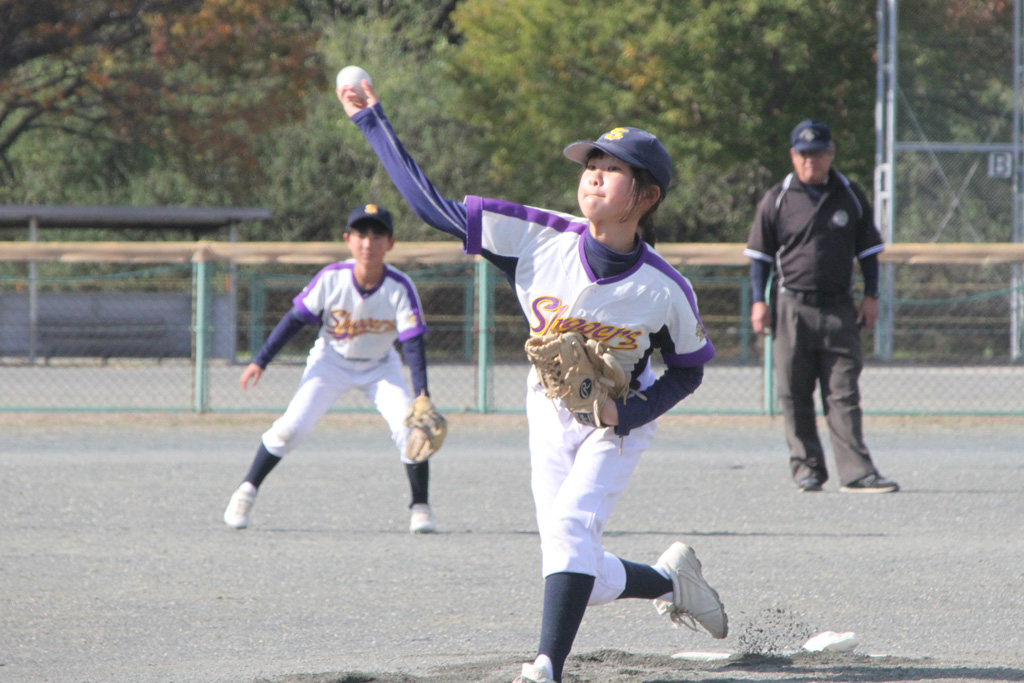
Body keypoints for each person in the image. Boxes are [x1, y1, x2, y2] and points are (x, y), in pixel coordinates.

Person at [338, 81, 727, 683]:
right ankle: (673, 582)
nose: (594, 174)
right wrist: (372, 122)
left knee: (570, 530)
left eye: (614, 169)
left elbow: (689, 369)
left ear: (646, 196)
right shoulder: (538, 239)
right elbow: (429, 206)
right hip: (547, 408)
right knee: (577, 567)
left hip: (618, 417)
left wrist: (628, 415)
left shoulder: (665, 288)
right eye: (591, 163)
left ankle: (546, 666)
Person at [222, 203, 440, 534]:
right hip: (330, 362)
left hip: (381, 366)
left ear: (390, 243)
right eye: (361, 235)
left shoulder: (400, 286)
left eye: (377, 235)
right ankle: (245, 492)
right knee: (290, 428)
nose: (369, 243)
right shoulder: (332, 278)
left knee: (411, 429)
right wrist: (260, 360)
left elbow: (412, 343)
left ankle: (420, 507)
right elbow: (294, 321)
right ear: (348, 240)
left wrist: (422, 392)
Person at [744, 118, 899, 494]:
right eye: (803, 153)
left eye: (818, 152)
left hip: (839, 309)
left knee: (843, 391)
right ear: (793, 156)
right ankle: (807, 468)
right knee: (794, 392)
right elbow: (760, 257)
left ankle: (857, 472)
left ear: (830, 153)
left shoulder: (849, 194)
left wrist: (872, 296)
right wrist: (758, 303)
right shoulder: (778, 197)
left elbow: (869, 253)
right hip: (791, 306)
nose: (810, 160)